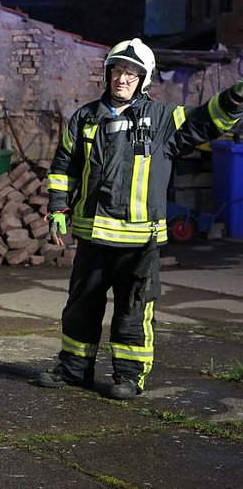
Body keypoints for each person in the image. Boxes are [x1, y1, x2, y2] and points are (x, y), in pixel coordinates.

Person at [37, 38, 243, 400]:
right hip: (92, 236)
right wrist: (57, 208)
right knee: (81, 307)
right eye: (117, 71)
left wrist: (234, 98)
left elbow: (204, 122)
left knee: (133, 310)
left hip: (139, 241)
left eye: (131, 73)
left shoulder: (162, 119)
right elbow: (64, 166)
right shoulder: (85, 117)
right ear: (107, 74)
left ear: (143, 79)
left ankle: (128, 376)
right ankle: (74, 369)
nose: (122, 79)